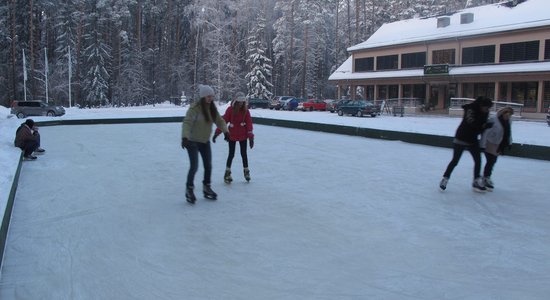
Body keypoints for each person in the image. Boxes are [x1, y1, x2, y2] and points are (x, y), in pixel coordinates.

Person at [181, 84, 230, 204]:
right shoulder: (194, 109)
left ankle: (206, 187)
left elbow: (219, 120)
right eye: (208, 96)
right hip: (192, 141)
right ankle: (189, 189)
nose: (211, 99)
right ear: (203, 97)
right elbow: (187, 123)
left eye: (212, 96)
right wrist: (185, 137)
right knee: (194, 166)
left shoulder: (212, 109)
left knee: (208, 165)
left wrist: (226, 131)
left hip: (204, 141)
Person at [439, 96, 494, 192]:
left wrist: (482, 141)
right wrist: (484, 126)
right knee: (455, 160)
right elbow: (471, 123)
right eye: (486, 107)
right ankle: (445, 178)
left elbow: (481, 130)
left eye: (488, 108)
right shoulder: (470, 110)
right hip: (461, 137)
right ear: (481, 105)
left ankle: (476, 181)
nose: (487, 110)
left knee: (478, 160)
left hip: (472, 139)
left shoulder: (485, 113)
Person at [213, 92, 254, 183]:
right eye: (239, 102)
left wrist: (251, 137)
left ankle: (246, 171)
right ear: (235, 101)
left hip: (243, 136)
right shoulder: (230, 110)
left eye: (242, 102)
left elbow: (249, 124)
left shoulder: (246, 111)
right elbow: (224, 122)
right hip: (232, 136)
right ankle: (227, 173)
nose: (241, 104)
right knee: (231, 154)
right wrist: (217, 133)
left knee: (244, 154)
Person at [479, 107, 514, 191]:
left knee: (493, 161)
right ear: (503, 113)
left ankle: (487, 177)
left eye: (509, 115)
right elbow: (486, 132)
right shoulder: (493, 119)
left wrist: (509, 142)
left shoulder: (509, 121)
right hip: (489, 142)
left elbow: (508, 132)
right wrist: (482, 145)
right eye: (507, 114)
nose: (508, 116)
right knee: (491, 160)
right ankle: (486, 178)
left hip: (498, 143)